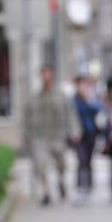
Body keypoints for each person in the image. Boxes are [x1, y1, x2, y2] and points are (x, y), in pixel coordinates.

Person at [25, 65, 80, 206]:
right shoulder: (35, 97)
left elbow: (70, 114)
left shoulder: (61, 95)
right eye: (43, 74)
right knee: (41, 164)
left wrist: (74, 131)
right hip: (41, 136)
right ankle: (46, 192)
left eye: (47, 73)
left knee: (61, 164)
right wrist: (26, 136)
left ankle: (61, 182)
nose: (45, 76)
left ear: (52, 75)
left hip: (58, 136)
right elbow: (27, 117)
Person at [72, 74, 101, 204]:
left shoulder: (91, 97)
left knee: (88, 161)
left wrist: (88, 99)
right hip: (78, 134)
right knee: (81, 160)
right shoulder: (74, 100)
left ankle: (88, 187)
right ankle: (79, 188)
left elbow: (97, 110)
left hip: (90, 133)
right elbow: (71, 115)